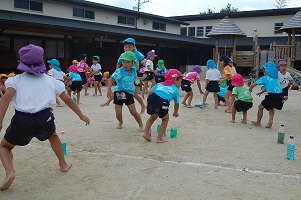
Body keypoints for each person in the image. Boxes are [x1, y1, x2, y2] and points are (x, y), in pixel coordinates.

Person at [0, 44, 90, 190]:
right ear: (42, 62)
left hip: (21, 119)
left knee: (5, 146)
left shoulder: (15, 80)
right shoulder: (51, 81)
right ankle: (63, 164)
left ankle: (10, 172)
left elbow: (5, 99)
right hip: (45, 118)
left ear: (21, 63)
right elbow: (67, 99)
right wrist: (81, 115)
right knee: (53, 136)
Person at [102, 38, 146, 113]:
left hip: (134, 75)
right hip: (125, 74)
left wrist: (143, 61)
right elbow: (118, 62)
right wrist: (116, 70)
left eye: (130, 47)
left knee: (135, 94)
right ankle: (109, 101)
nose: (128, 49)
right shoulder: (123, 55)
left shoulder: (137, 53)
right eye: (126, 47)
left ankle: (143, 105)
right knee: (120, 89)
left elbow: (144, 59)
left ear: (134, 47)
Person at [143, 69, 183, 143]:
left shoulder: (160, 84)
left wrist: (148, 103)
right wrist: (175, 112)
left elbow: (149, 92)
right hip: (162, 101)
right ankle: (159, 138)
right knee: (165, 119)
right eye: (180, 81)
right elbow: (176, 103)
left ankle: (145, 133)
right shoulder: (176, 90)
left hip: (152, 98)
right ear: (175, 80)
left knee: (153, 116)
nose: (180, 84)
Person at [107, 51, 144, 131]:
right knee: (118, 113)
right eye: (123, 62)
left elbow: (135, 78)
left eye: (128, 62)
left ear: (133, 62)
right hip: (119, 93)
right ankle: (120, 122)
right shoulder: (119, 71)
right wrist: (109, 90)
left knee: (133, 111)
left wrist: (139, 85)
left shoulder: (134, 70)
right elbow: (111, 79)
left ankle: (141, 124)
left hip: (129, 93)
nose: (125, 64)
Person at [249, 62, 283, 128]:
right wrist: (262, 92)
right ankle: (270, 120)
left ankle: (258, 122)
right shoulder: (276, 78)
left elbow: (253, 85)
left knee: (260, 107)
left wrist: (250, 89)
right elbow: (272, 88)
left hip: (271, 95)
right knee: (271, 108)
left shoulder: (265, 78)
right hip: (279, 95)